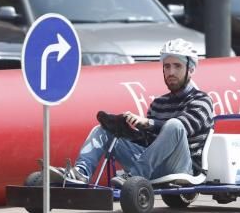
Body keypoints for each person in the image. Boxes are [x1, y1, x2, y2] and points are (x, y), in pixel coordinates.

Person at [49, 39, 213, 186]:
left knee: (175, 125)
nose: (170, 72)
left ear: (190, 70)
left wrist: (147, 123)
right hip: (152, 166)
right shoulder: (159, 103)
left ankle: (134, 177)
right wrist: (126, 130)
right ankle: (81, 173)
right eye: (167, 66)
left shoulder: (201, 100)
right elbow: (149, 143)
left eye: (177, 66)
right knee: (102, 130)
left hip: (181, 166)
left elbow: (183, 127)